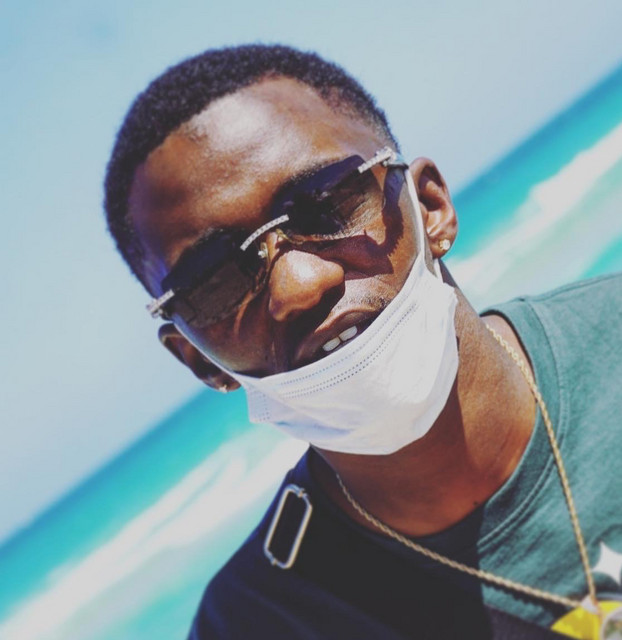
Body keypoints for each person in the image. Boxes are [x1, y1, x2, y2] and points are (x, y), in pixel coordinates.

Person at [104, 44, 622, 639]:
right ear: (199, 360)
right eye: (215, 279)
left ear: (430, 207)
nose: (299, 286)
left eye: (327, 203)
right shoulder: (259, 624)